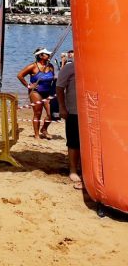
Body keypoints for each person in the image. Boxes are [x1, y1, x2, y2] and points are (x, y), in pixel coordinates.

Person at [17, 47, 56, 140]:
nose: (49, 55)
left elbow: (52, 77)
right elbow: (20, 75)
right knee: (38, 113)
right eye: (47, 54)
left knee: (52, 113)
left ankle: (44, 129)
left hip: (48, 92)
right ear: (40, 56)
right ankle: (36, 135)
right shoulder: (33, 66)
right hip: (36, 92)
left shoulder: (50, 66)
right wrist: (28, 86)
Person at [56, 52, 81, 189]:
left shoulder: (94, 66)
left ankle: (84, 167)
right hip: (73, 110)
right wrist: (62, 107)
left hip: (91, 111)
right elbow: (59, 88)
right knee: (73, 141)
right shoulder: (69, 67)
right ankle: (73, 170)